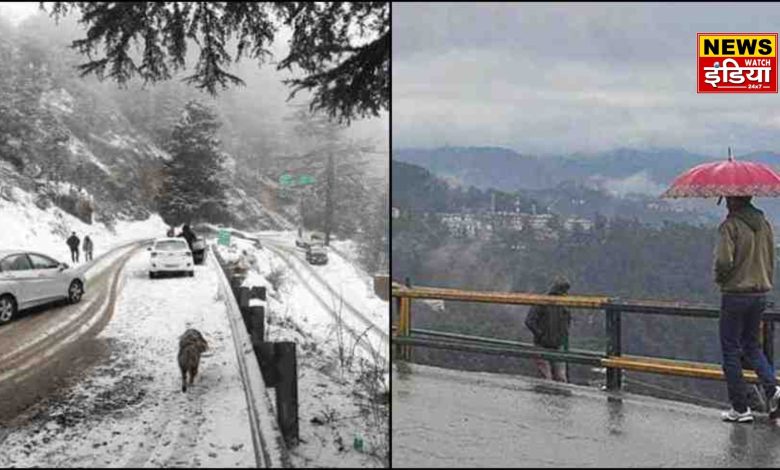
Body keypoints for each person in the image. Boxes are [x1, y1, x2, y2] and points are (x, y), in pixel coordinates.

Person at [715, 196, 780, 423]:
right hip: (760, 293)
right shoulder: (765, 224)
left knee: (730, 350)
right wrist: (763, 280)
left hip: (735, 294)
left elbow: (723, 261)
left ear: (732, 200)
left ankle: (740, 408)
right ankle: (773, 389)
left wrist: (721, 279)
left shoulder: (730, 225)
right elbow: (771, 259)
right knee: (752, 346)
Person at [525, 276, 571, 383]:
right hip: (544, 345)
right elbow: (530, 321)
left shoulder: (563, 304)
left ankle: (552, 398)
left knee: (558, 378)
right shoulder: (545, 302)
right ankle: (548, 398)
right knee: (548, 378)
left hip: (556, 344)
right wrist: (541, 335)